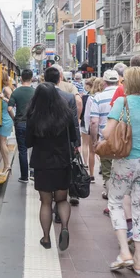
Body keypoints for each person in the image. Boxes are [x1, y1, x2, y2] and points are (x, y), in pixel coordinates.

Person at [102, 67, 140, 276]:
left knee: (115, 202)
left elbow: (107, 132)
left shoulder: (122, 101)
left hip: (126, 160)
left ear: (127, 83)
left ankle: (124, 252)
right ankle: (138, 260)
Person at [25, 82, 77, 251]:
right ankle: (64, 228)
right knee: (62, 199)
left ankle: (46, 238)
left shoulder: (33, 117)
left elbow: (28, 142)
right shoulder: (66, 115)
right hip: (62, 162)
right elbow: (73, 137)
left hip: (42, 164)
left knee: (45, 202)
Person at [46, 65, 82, 206]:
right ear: (60, 76)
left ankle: (52, 196)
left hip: (46, 140)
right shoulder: (69, 91)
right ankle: (70, 193)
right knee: (68, 167)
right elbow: (74, 118)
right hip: (65, 138)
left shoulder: (40, 93)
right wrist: (76, 141)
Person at [90, 70, 120, 190]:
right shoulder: (125, 95)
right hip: (122, 140)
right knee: (121, 171)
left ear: (104, 82)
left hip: (105, 140)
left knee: (107, 172)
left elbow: (94, 122)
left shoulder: (98, 97)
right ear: (118, 81)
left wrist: (94, 140)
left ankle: (110, 196)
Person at [8, 69, 36, 183]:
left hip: (20, 123)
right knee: (34, 148)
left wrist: (15, 119)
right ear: (31, 78)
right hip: (33, 124)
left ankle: (24, 176)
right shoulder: (35, 92)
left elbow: (9, 108)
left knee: (22, 150)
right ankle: (33, 173)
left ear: (21, 78)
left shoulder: (16, 92)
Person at [0, 71, 14, 175]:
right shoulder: (4, 88)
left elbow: (13, 101)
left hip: (6, 118)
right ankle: (6, 165)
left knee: (2, 142)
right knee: (2, 142)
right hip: (4, 117)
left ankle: (7, 166)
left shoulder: (6, 89)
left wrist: (4, 98)